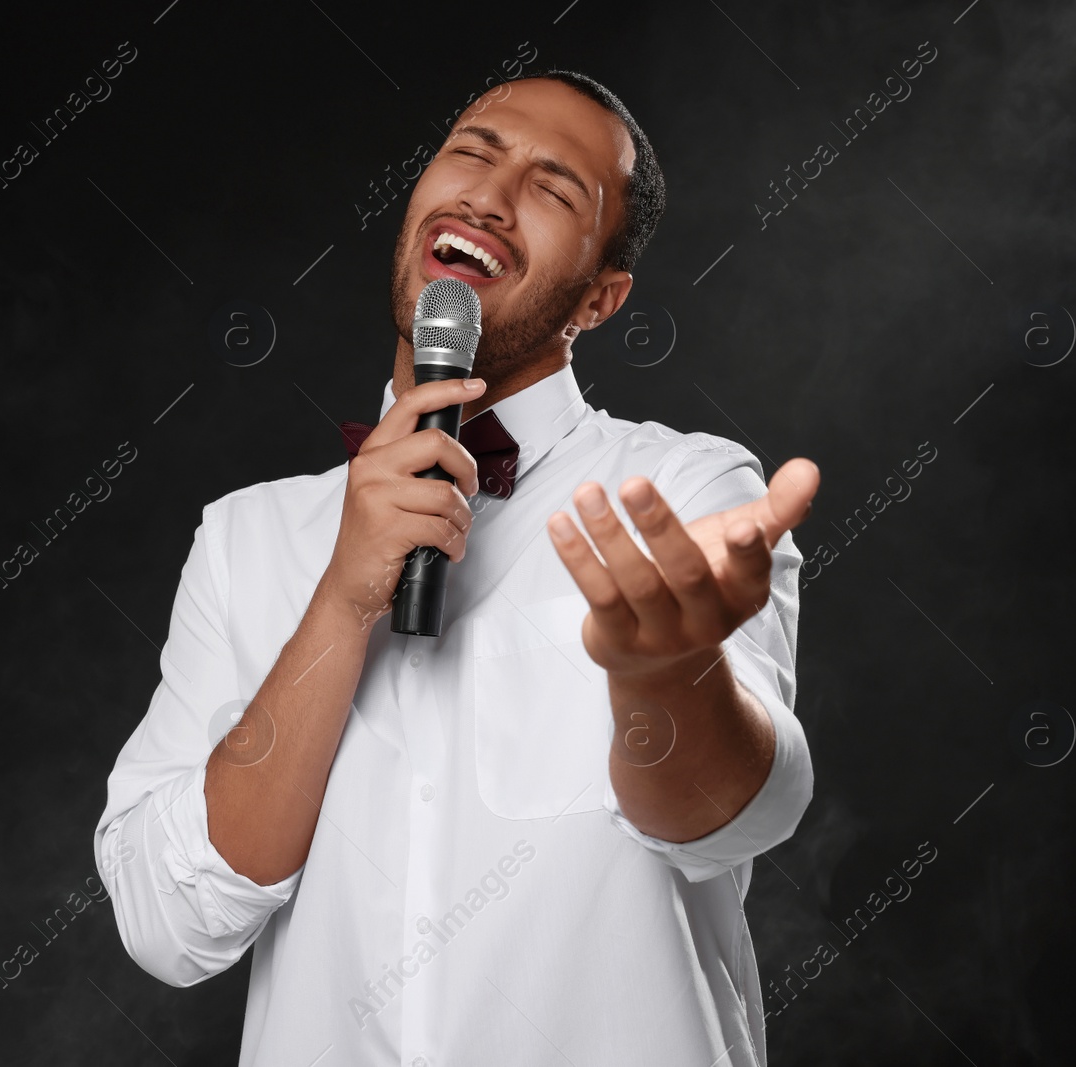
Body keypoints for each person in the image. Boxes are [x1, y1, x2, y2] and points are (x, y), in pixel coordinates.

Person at [94, 69, 821, 1066]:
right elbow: (168, 922)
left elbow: (736, 821)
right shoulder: (246, 536)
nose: (489, 193)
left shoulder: (684, 490)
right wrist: (345, 596)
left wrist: (666, 672)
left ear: (601, 299)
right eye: (472, 151)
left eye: (554, 187)